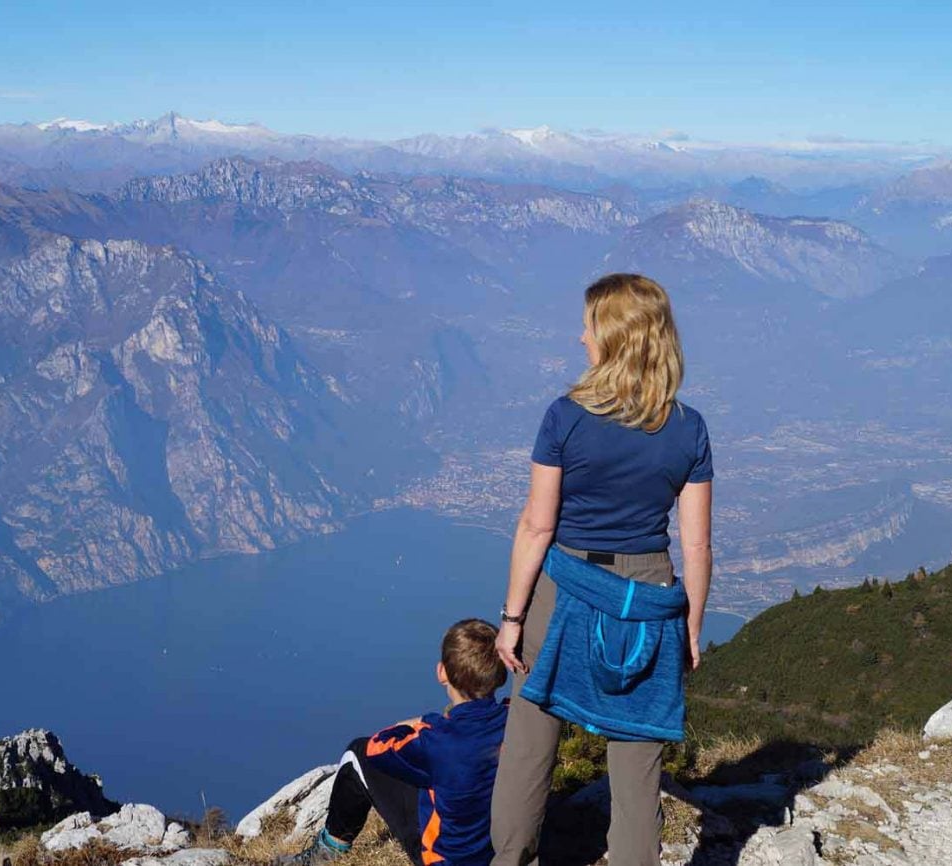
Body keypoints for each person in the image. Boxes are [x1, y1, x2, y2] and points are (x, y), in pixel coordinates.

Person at [490, 274, 714, 866]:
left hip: (564, 589)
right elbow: (697, 545)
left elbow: (537, 527)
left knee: (529, 744)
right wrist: (691, 626)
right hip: (647, 597)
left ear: (613, 337)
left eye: (589, 326)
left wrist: (511, 617)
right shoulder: (688, 427)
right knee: (638, 761)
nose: (580, 337)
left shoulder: (565, 418)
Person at [281, 619, 509, 866]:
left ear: (442, 672)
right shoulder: (515, 721)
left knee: (357, 754)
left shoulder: (435, 740)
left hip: (444, 860)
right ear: (500, 675)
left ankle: (328, 851)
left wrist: (421, 722)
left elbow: (376, 748)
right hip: (502, 851)